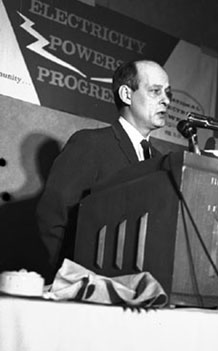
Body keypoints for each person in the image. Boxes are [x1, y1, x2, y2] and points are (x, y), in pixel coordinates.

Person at [36, 60, 171, 278]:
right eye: (156, 91)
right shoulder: (91, 144)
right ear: (127, 95)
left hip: (141, 291)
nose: (166, 100)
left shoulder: (160, 161)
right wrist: (66, 279)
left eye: (168, 93)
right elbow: (52, 217)